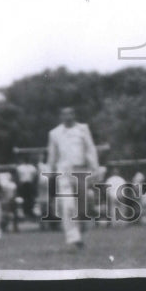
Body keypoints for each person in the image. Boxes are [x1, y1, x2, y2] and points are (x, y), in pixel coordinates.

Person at [46, 106, 99, 250]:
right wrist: (49, 174)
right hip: (63, 171)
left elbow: (90, 148)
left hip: (81, 170)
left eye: (70, 114)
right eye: (64, 114)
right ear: (60, 117)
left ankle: (80, 231)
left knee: (82, 207)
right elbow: (52, 156)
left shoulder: (83, 129)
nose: (68, 117)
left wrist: (95, 168)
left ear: (74, 115)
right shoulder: (55, 133)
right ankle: (73, 237)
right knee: (68, 205)